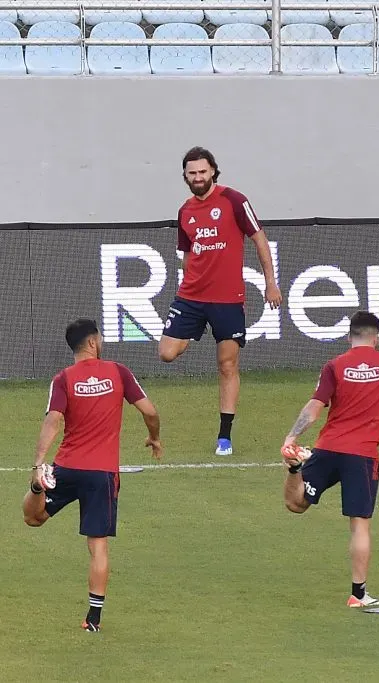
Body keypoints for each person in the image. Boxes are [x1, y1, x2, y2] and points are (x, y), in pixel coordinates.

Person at [23, 318, 163, 632]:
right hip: (101, 474)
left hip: (68, 467)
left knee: (33, 518)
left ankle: (37, 487)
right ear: (91, 342)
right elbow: (150, 412)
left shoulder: (63, 379)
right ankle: (93, 619)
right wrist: (154, 436)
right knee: (97, 545)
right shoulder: (119, 372)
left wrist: (38, 462)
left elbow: (53, 421)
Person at [280, 311, 379, 609]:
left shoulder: (335, 365)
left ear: (350, 338)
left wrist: (292, 436)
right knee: (360, 525)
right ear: (377, 338)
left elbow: (315, 407)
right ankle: (358, 595)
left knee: (296, 504)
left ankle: (296, 469)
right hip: (362, 456)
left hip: (328, 448)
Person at [158, 146, 283, 457]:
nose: (198, 177)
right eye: (192, 173)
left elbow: (259, 238)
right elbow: (187, 255)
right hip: (190, 296)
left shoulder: (234, 200)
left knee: (227, 365)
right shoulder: (185, 211)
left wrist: (270, 283)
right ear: (185, 177)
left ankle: (224, 437)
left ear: (213, 170)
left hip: (227, 300)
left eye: (203, 171)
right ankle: (190, 333)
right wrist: (189, 279)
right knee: (167, 353)